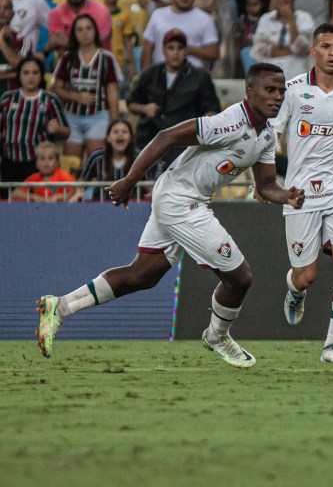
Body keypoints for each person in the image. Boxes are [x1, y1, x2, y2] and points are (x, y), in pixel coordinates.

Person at [36, 63, 304, 369]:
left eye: (281, 91)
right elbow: (165, 136)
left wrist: (288, 195)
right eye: (270, 90)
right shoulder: (228, 122)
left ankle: (60, 307)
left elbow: (266, 186)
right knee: (239, 277)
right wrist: (130, 180)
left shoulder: (266, 136)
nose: (277, 97)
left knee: (142, 275)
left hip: (182, 197)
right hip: (180, 201)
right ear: (250, 91)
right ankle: (217, 336)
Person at [274, 24, 333, 364]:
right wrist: (266, 183)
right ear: (313, 51)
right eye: (326, 46)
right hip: (300, 192)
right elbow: (271, 136)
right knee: (307, 276)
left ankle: (332, 345)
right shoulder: (292, 91)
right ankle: (294, 289)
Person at [129, 29, 220, 177]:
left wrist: (199, 128)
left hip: (184, 143)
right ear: (163, 50)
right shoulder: (150, 74)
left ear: (186, 51)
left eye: (180, 48)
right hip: (150, 139)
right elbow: (131, 103)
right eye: (171, 48)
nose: (175, 53)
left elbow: (212, 110)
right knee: (147, 183)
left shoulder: (200, 77)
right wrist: (144, 108)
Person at [52, 14, 122, 163]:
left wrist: (115, 124)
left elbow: (112, 93)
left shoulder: (107, 58)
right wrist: (75, 97)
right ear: (74, 34)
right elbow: (56, 88)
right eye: (80, 29)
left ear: (95, 31)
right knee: (71, 164)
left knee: (97, 163)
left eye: (88, 28)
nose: (84, 33)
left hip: (99, 116)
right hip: (71, 116)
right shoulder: (67, 57)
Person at [0, 57, 67, 199]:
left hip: (36, 164)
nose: (31, 77)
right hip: (9, 162)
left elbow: (66, 130)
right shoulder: (7, 98)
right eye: (26, 73)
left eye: (35, 72)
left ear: (41, 75)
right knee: (8, 202)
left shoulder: (50, 100)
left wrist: (57, 130)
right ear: (19, 75)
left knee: (37, 203)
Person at [141, 0, 220, 69]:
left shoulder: (204, 19)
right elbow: (147, 50)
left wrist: (189, 49)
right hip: (161, 75)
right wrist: (146, 76)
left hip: (193, 76)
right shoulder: (157, 15)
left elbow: (214, 53)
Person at [251, 0, 316, 79]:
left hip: (298, 74)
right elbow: (259, 51)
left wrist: (291, 19)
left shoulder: (304, 18)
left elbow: (302, 49)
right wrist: (291, 50)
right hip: (270, 74)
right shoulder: (266, 19)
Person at [46, 0, 115, 57]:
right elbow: (58, 46)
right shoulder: (55, 13)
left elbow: (95, 46)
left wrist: (67, 43)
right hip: (67, 62)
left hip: (100, 61)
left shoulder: (102, 11)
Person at [80, 119, 139, 201]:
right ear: (108, 138)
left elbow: (149, 186)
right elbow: (81, 183)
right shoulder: (96, 157)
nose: (120, 134)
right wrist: (78, 192)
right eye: (115, 132)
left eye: (124, 132)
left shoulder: (139, 157)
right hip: (101, 206)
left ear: (131, 138)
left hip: (132, 206)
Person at [12, 141, 80, 202]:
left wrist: (60, 196)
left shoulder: (63, 175)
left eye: (50, 158)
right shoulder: (34, 178)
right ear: (36, 164)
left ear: (57, 162)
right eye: (42, 159)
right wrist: (34, 197)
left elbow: (76, 191)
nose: (46, 162)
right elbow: (15, 193)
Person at [101, 0, 137, 82]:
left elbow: (128, 42)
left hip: (118, 60)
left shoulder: (124, 16)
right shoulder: (96, 14)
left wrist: (132, 65)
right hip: (100, 58)